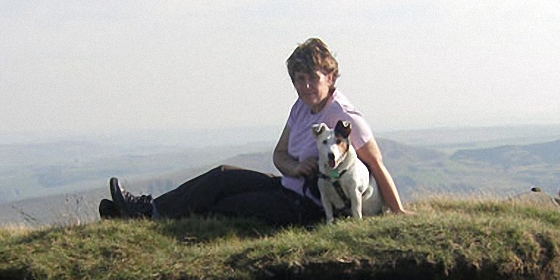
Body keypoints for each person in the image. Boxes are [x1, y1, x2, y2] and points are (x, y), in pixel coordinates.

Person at [99, 38, 409, 225]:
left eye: (311, 78)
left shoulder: (343, 115)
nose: (304, 86)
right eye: (298, 79)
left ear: (329, 75)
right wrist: (296, 167)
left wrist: (397, 210)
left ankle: (146, 219)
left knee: (225, 208)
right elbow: (279, 154)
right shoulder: (301, 107)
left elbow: (375, 163)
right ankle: (146, 210)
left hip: (310, 207)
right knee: (222, 175)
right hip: (287, 186)